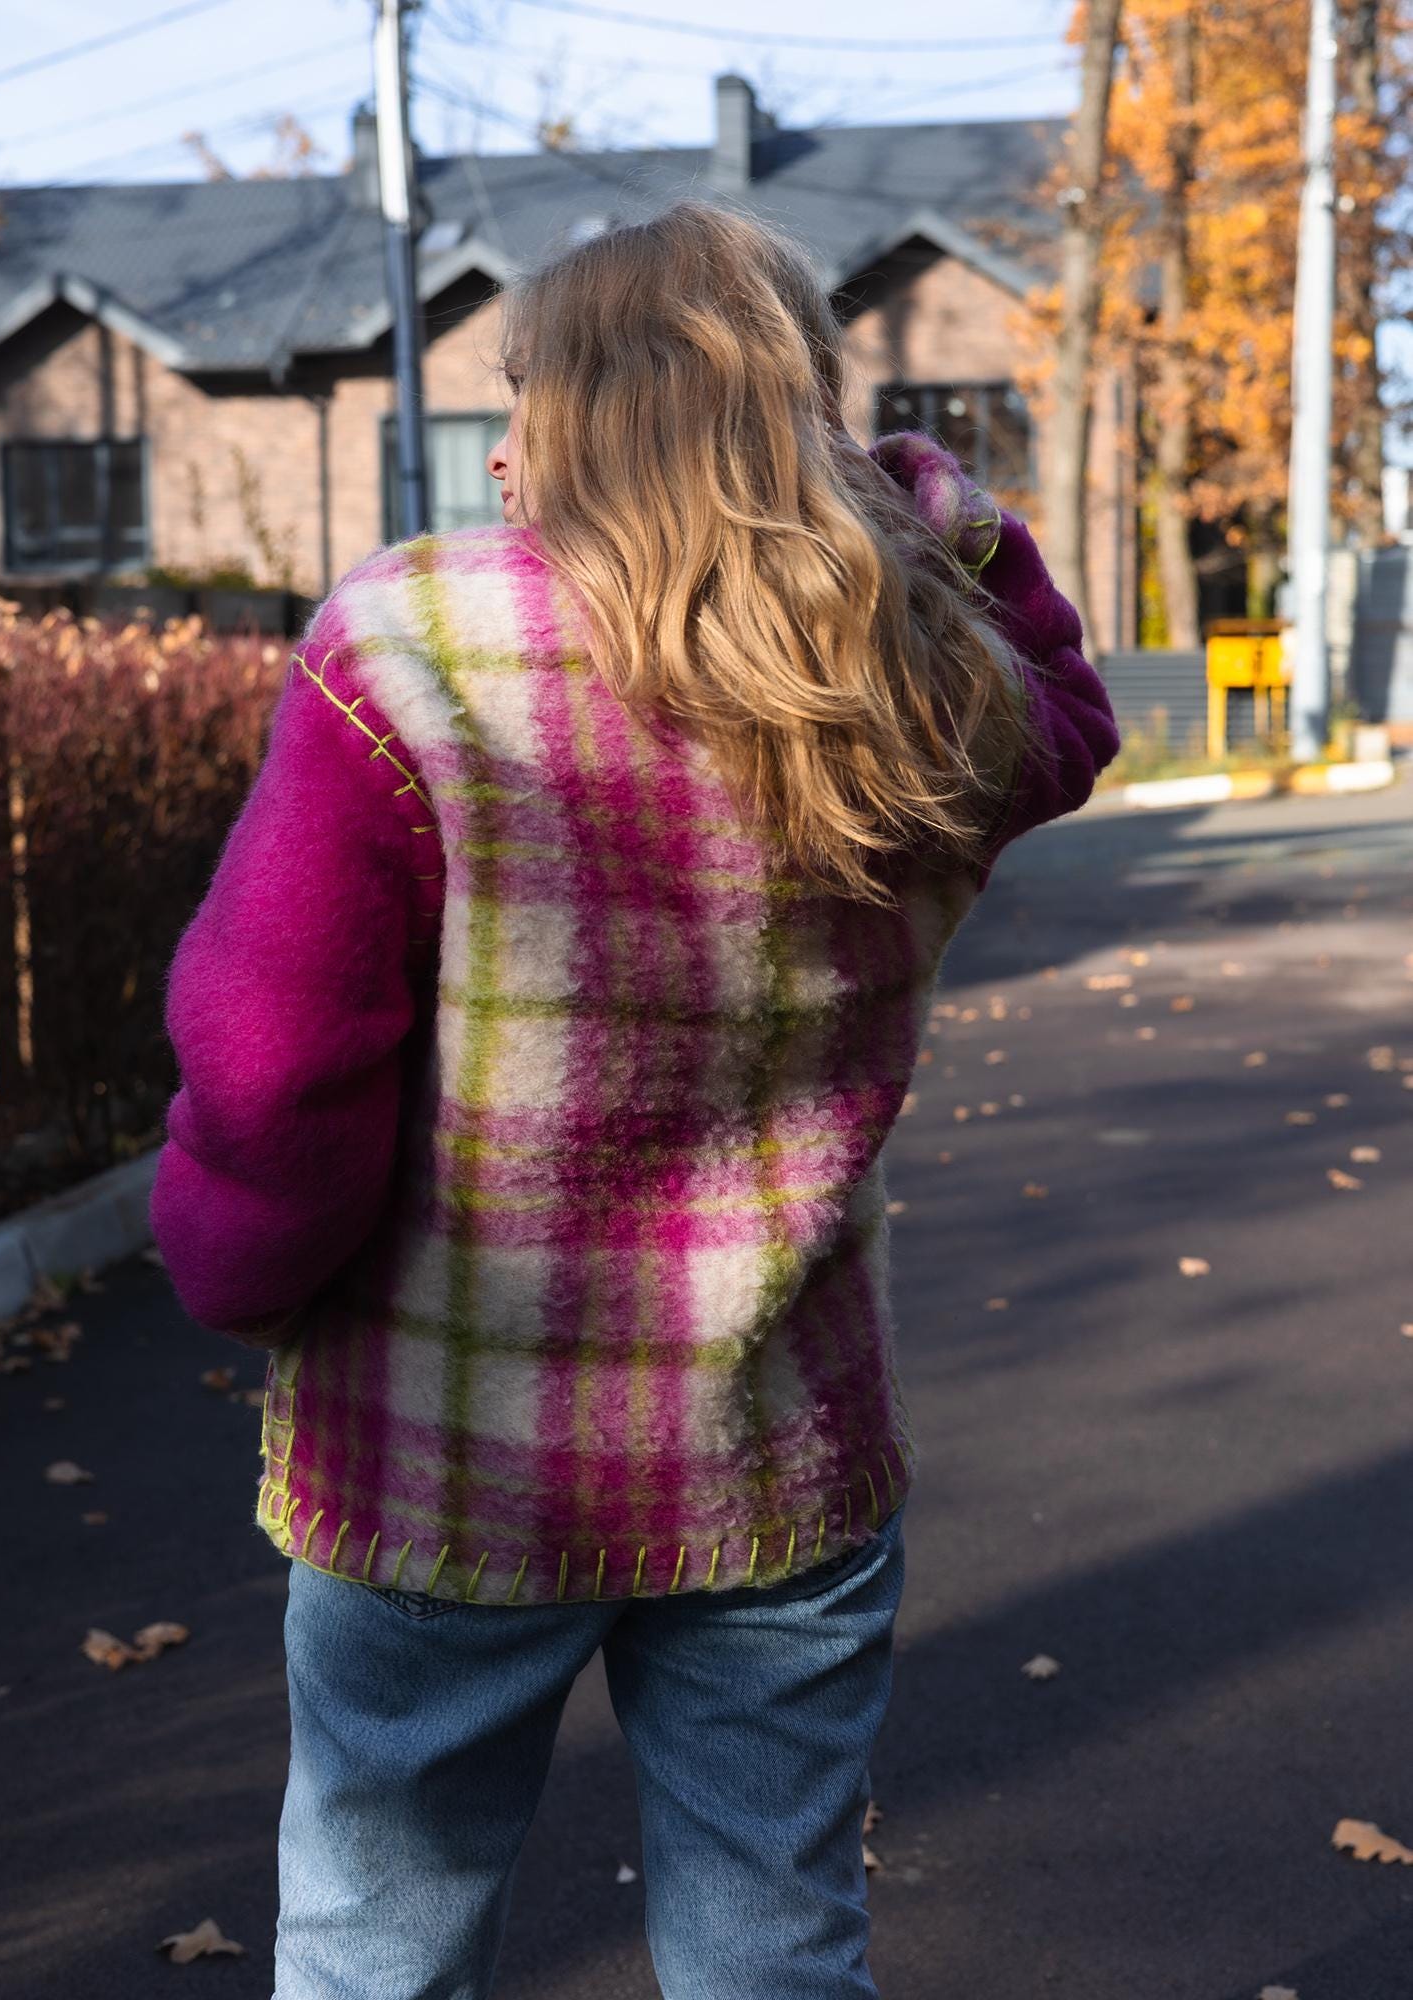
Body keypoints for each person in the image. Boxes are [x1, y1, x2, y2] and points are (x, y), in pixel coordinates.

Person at [150, 200, 1119, 2000]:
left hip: (442, 1451)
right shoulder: (904, 673)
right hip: (781, 1446)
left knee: (377, 1950)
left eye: (529, 390)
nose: (506, 443)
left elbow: (278, 1057)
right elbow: (1069, 701)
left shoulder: (409, 645)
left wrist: (235, 1265)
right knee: (774, 1945)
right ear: (796, 416)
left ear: (596, 407)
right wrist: (923, 499)